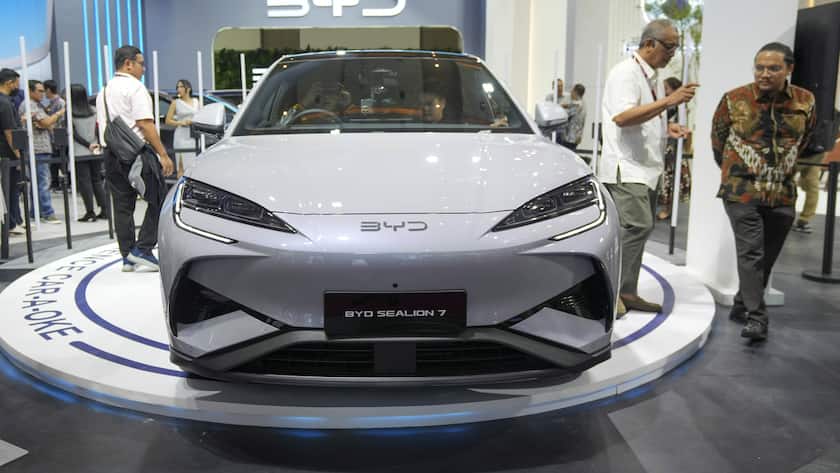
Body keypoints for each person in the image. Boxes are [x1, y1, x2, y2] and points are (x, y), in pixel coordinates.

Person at [712, 42, 816, 340]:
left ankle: (742, 302)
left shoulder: (806, 101)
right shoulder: (734, 99)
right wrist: (739, 170)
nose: (765, 74)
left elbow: (806, 139)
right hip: (741, 191)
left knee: (767, 257)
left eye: (773, 68)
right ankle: (757, 318)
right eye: (760, 67)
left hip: (782, 192)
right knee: (751, 253)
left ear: (789, 69)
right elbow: (718, 141)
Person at [599, 19, 698, 317]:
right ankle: (610, 293)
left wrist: (668, 129)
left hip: (645, 169)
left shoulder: (651, 76)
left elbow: (643, 118)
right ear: (649, 44)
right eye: (669, 46)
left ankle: (628, 291)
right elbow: (623, 117)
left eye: (676, 47)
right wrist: (670, 101)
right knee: (636, 226)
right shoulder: (626, 73)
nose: (672, 53)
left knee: (640, 229)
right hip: (626, 167)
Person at [96, 44, 174, 272]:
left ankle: (127, 256)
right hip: (136, 154)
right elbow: (144, 124)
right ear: (128, 63)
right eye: (141, 63)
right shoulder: (135, 88)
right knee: (159, 197)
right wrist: (163, 154)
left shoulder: (104, 90)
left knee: (122, 206)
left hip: (111, 153)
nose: (144, 68)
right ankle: (143, 248)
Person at [19, 80, 64, 224]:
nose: (43, 94)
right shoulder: (30, 105)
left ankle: (36, 212)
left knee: (38, 182)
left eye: (43, 91)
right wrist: (58, 114)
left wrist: (47, 121)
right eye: (39, 91)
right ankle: (47, 212)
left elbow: (44, 123)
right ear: (31, 91)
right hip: (37, 149)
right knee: (43, 182)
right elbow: (46, 123)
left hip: (40, 148)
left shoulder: (37, 105)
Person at [70, 84, 107, 222]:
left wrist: (87, 145)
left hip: (79, 152)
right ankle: (105, 209)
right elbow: (99, 130)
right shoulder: (93, 110)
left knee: (84, 182)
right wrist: (94, 143)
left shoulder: (70, 113)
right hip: (96, 149)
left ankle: (90, 211)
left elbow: (73, 134)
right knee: (97, 180)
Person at [657, 77, 693, 220]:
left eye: (666, 88)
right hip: (669, 145)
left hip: (672, 146)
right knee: (669, 179)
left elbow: (685, 130)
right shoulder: (675, 106)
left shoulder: (677, 107)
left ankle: (668, 209)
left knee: (670, 180)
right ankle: (667, 208)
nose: (664, 91)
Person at [0, 68, 24, 235]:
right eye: (16, 82)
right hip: (7, 155)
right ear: (9, 83)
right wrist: (18, 155)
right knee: (10, 190)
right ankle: (9, 224)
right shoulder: (5, 103)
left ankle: (13, 222)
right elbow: (9, 132)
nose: (18, 86)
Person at [165, 79, 199, 176]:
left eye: (181, 87)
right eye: (177, 87)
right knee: (181, 166)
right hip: (181, 136)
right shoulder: (176, 102)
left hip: (193, 135)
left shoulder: (196, 101)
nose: (178, 89)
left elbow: (200, 116)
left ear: (188, 89)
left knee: (192, 165)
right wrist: (181, 122)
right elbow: (168, 120)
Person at [43, 79, 66, 190]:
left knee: (61, 160)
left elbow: (61, 121)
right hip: (52, 137)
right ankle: (55, 182)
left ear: (48, 90)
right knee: (54, 161)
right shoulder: (51, 104)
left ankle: (66, 182)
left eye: (44, 90)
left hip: (58, 136)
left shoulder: (60, 103)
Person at [558, 83, 586, 150]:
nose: (570, 92)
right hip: (575, 137)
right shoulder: (582, 103)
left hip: (570, 138)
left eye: (572, 90)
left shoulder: (577, 106)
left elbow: (565, 114)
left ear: (576, 92)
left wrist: (560, 107)